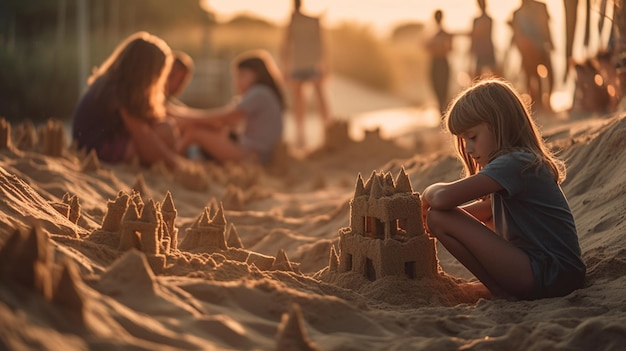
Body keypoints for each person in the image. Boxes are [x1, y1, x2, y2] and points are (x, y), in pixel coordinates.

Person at [421, 78, 586, 300]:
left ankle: (496, 290)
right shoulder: (522, 161)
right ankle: (495, 288)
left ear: (500, 125)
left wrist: (427, 194)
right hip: (558, 274)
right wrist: (426, 224)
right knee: (449, 218)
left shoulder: (514, 162)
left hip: (548, 274)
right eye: (463, 140)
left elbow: (441, 199)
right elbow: (486, 211)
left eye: (473, 137)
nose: (468, 148)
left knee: (438, 218)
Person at [72, 31, 180, 169]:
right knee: (161, 137)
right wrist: (177, 164)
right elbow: (143, 136)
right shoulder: (117, 91)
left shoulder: (114, 84)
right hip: (94, 149)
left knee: (166, 129)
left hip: (107, 141)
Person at [170, 50, 284, 165]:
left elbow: (226, 117)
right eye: (236, 77)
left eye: (242, 76)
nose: (237, 81)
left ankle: (171, 159)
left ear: (257, 75)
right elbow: (226, 123)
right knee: (205, 129)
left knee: (194, 132)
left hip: (255, 155)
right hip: (254, 151)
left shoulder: (259, 92)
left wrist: (184, 116)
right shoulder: (262, 94)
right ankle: (191, 156)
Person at [281, 0, 331, 148]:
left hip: (302, 64)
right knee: (309, 97)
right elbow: (322, 43)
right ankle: (306, 134)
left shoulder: (296, 22)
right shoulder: (308, 21)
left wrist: (285, 66)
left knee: (305, 98)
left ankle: (323, 131)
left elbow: (285, 45)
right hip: (305, 63)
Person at [510, 0, 555, 111]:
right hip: (528, 51)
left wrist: (551, 42)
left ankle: (546, 101)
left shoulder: (541, 7)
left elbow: (546, 26)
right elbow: (517, 33)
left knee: (549, 75)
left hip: (541, 47)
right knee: (531, 78)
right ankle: (537, 103)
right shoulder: (517, 13)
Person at [426, 9, 454, 115]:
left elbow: (450, 48)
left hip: (442, 61)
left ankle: (443, 112)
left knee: (443, 88)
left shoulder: (443, 33)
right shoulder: (432, 33)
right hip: (436, 62)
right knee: (437, 87)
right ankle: (440, 111)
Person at [469, 0, 497, 78]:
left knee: (495, 73)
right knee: (477, 74)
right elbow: (474, 36)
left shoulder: (489, 19)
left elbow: (480, 33)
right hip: (480, 50)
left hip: (487, 49)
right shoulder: (476, 20)